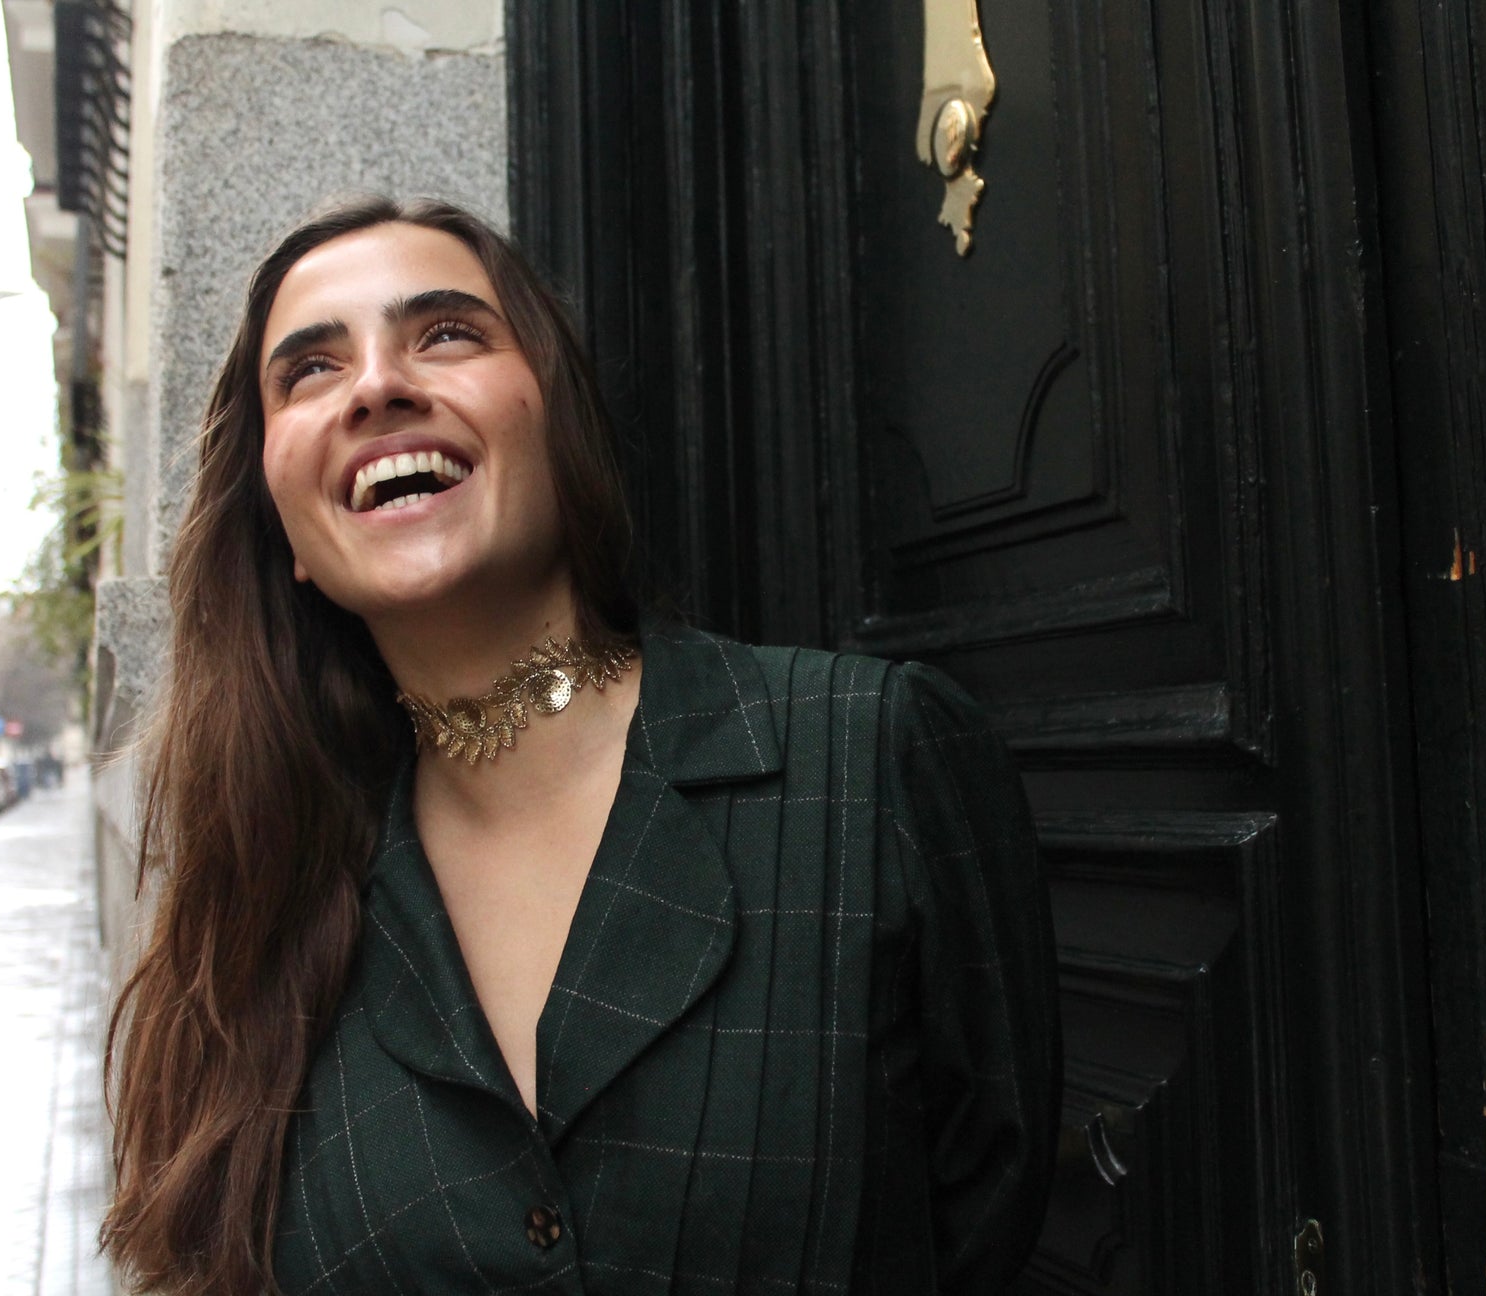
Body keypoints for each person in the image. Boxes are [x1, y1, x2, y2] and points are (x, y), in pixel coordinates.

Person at [101, 195, 1059, 1295]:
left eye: (446, 333)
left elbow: (986, 1223)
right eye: (310, 370)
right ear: (290, 538)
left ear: (561, 424)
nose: (375, 386)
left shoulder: (873, 756)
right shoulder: (265, 910)